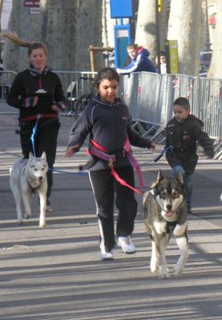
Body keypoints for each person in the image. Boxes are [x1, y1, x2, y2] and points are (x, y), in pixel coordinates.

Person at [65, 67, 156, 260]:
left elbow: (129, 133)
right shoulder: (92, 109)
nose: (110, 91)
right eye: (106, 87)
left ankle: (124, 235)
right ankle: (106, 245)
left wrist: (146, 143)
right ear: (98, 87)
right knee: (104, 208)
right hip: (99, 165)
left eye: (114, 87)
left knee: (128, 203)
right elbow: (79, 131)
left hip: (122, 162)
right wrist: (74, 145)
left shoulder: (122, 108)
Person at [7, 40, 67, 213]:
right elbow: (11, 99)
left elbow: (62, 99)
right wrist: (25, 102)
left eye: (41, 55)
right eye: (35, 56)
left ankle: (45, 199)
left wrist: (59, 106)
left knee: (46, 162)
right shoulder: (22, 77)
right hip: (28, 125)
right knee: (30, 162)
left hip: (49, 123)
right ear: (29, 58)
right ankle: (29, 192)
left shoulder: (53, 78)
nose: (38, 59)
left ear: (46, 57)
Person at [164, 97, 214, 213]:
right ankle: (176, 202)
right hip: (174, 157)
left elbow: (203, 138)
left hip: (189, 159)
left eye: (180, 112)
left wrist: (208, 149)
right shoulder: (171, 124)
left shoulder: (193, 125)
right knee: (179, 172)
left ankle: (187, 204)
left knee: (187, 183)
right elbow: (167, 142)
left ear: (188, 111)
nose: (177, 115)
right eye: (175, 112)